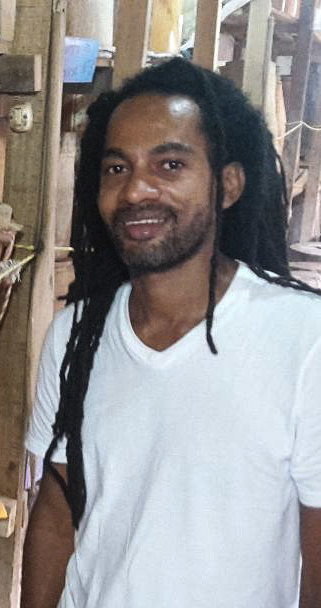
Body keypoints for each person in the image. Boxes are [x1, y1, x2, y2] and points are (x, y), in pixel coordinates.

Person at [22, 58, 321, 608]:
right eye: (117, 168)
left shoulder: (303, 340)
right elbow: (56, 512)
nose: (137, 189)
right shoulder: (75, 338)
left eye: (170, 165)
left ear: (227, 185)